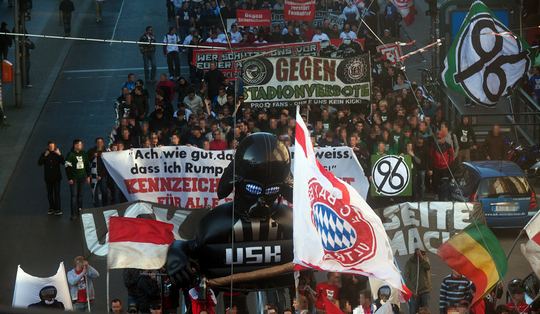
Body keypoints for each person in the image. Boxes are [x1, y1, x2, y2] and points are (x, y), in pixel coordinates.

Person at [65, 139, 90, 221]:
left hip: (82, 178)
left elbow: (87, 165)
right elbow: (67, 167)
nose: (81, 146)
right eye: (79, 145)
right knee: (74, 196)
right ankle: (73, 214)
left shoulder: (84, 154)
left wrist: (88, 176)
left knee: (80, 196)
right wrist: (70, 178)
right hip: (74, 179)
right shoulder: (70, 154)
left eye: (81, 145)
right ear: (75, 145)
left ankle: (80, 212)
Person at [38, 141, 64, 215]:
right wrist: (45, 156)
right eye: (50, 146)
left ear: (55, 146)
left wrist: (60, 154)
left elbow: (63, 162)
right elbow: (39, 163)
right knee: (49, 194)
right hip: (48, 178)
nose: (51, 148)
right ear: (48, 147)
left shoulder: (57, 153)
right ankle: (51, 208)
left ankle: (58, 209)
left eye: (53, 146)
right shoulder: (44, 154)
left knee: (57, 193)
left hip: (57, 178)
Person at [404, 249, 432, 314]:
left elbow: (427, 267)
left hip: (425, 291)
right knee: (414, 311)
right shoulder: (409, 263)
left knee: (425, 311)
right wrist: (413, 290)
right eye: (422, 254)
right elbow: (406, 278)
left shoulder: (424, 261)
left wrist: (422, 258)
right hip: (414, 292)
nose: (424, 255)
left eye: (424, 254)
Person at [87, 137, 108, 207]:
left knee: (104, 191)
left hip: (102, 175)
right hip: (93, 175)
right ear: (96, 143)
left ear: (103, 143)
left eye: (101, 142)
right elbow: (87, 161)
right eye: (98, 142)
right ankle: (96, 206)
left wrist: (101, 175)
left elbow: (107, 166)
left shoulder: (106, 151)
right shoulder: (91, 151)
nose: (99, 143)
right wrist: (93, 156)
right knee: (94, 191)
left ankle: (105, 206)